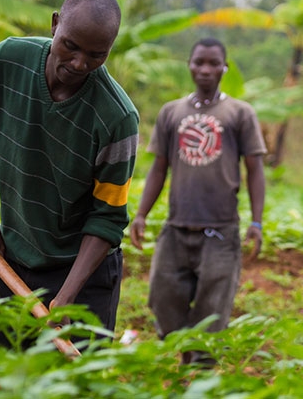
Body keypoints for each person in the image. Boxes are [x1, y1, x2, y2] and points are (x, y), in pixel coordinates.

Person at [0, 0, 139, 350]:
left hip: (81, 271)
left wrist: (67, 295)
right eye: (71, 46)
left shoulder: (117, 118)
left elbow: (107, 218)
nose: (79, 64)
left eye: (97, 55)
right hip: (13, 256)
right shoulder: (7, 61)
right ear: (55, 24)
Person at [129, 37, 265, 364]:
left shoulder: (240, 113)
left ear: (224, 68)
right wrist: (141, 215)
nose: (205, 69)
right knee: (162, 298)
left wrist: (256, 222)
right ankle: (183, 357)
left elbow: (255, 170)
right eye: (199, 62)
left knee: (212, 308)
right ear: (189, 66)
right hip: (176, 228)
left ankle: (200, 373)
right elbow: (159, 169)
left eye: (213, 63)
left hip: (221, 231)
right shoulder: (171, 113)